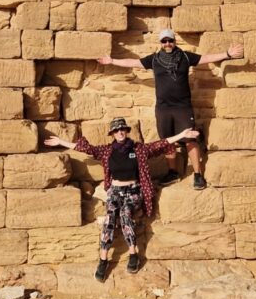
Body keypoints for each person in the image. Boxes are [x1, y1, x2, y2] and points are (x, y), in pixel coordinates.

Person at [43, 117, 199, 281]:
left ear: (127, 131)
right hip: (115, 191)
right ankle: (103, 260)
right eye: (116, 130)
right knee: (110, 218)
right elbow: (85, 148)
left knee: (125, 214)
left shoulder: (138, 149)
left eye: (122, 129)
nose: (120, 132)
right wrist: (61, 141)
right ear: (112, 134)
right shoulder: (107, 151)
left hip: (133, 191)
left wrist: (182, 134)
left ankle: (133, 254)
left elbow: (161, 143)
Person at [97, 30, 244, 190]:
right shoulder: (154, 59)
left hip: (183, 108)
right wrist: (112, 61)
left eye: (170, 41)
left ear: (174, 41)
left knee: (190, 139)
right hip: (163, 109)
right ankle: (173, 172)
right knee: (168, 141)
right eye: (164, 41)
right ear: (161, 43)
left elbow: (206, 58)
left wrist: (227, 54)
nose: (167, 44)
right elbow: (133, 62)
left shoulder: (185, 57)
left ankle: (197, 174)